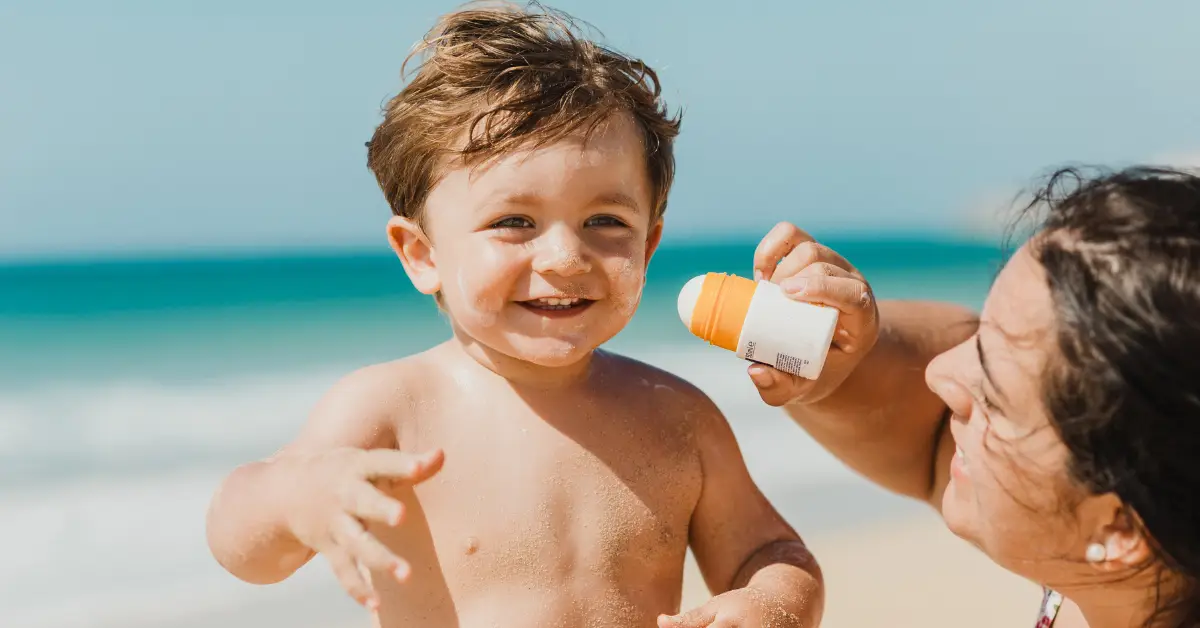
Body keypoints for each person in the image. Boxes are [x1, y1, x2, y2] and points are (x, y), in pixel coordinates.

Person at [204, 3, 824, 627]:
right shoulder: (395, 411)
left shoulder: (679, 418)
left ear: (648, 244)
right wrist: (294, 497)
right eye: (513, 222)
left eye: (605, 221)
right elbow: (240, 542)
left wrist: (771, 603)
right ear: (422, 255)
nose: (564, 257)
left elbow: (769, 551)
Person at [744, 165, 1200, 627]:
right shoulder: (1102, 577)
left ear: (1120, 528)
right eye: (983, 333)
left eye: (994, 396)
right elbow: (929, 436)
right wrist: (846, 351)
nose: (939, 374)